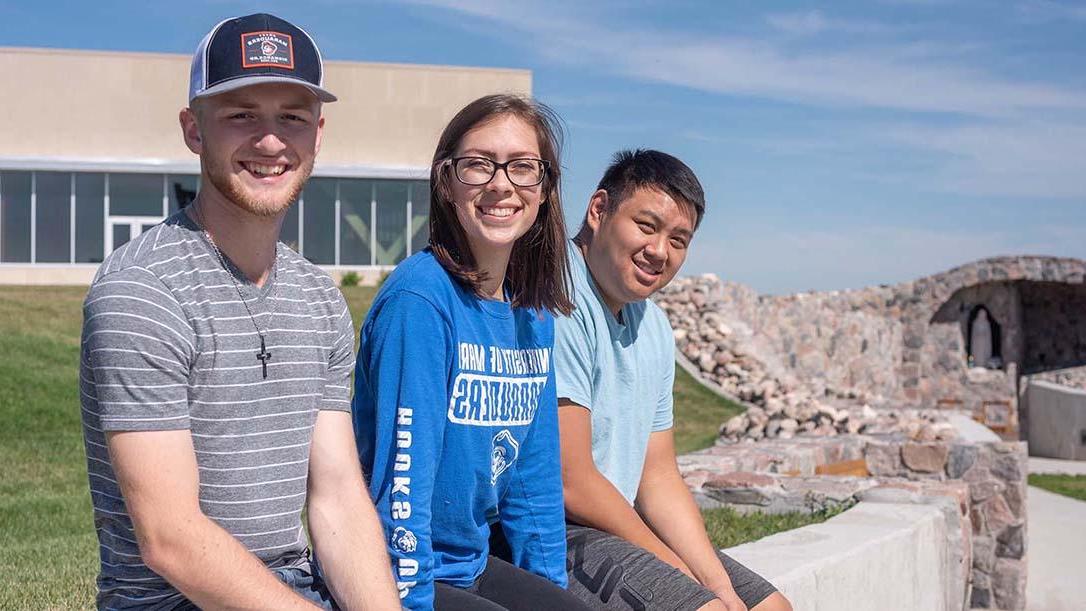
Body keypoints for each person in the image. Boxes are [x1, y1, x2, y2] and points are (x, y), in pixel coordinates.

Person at [79, 13, 399, 609]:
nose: (271, 140)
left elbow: (336, 499)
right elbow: (169, 540)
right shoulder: (142, 289)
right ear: (193, 129)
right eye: (241, 114)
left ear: (318, 135)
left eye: (292, 118)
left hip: (296, 587)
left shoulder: (319, 298)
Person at [352, 94, 592, 611]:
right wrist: (410, 603)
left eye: (523, 168)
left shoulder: (532, 314)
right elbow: (402, 485)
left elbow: (535, 481)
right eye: (478, 165)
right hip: (400, 571)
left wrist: (552, 593)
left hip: (471, 563)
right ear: (446, 182)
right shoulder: (419, 300)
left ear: (545, 188)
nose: (501, 184)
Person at [555, 150, 793, 611]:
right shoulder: (558, 296)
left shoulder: (655, 325)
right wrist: (677, 572)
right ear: (598, 209)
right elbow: (572, 480)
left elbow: (658, 474)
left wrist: (715, 582)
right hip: (557, 532)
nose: (660, 251)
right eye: (646, 226)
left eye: (679, 239)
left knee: (770, 607)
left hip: (619, 522)